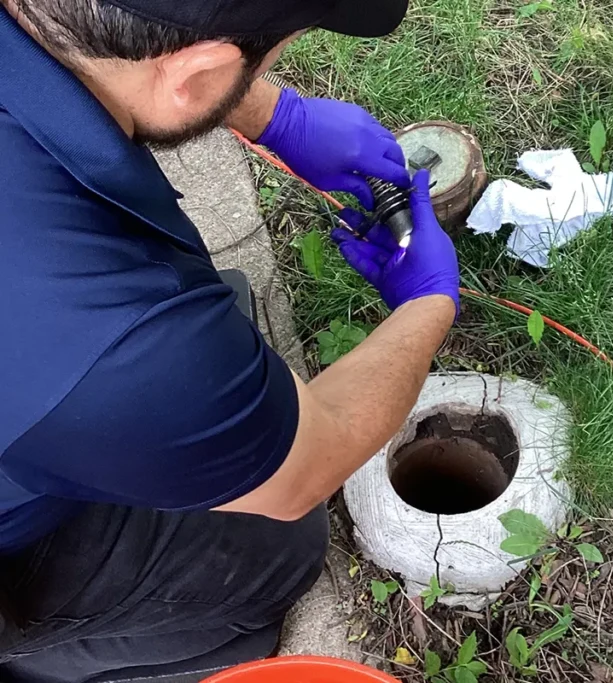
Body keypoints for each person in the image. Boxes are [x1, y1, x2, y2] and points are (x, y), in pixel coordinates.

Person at [0, 0, 461, 679]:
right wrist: (427, 305)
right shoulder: (126, 343)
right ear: (198, 70)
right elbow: (308, 461)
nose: (270, 73)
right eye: (269, 59)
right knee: (272, 540)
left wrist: (274, 114)